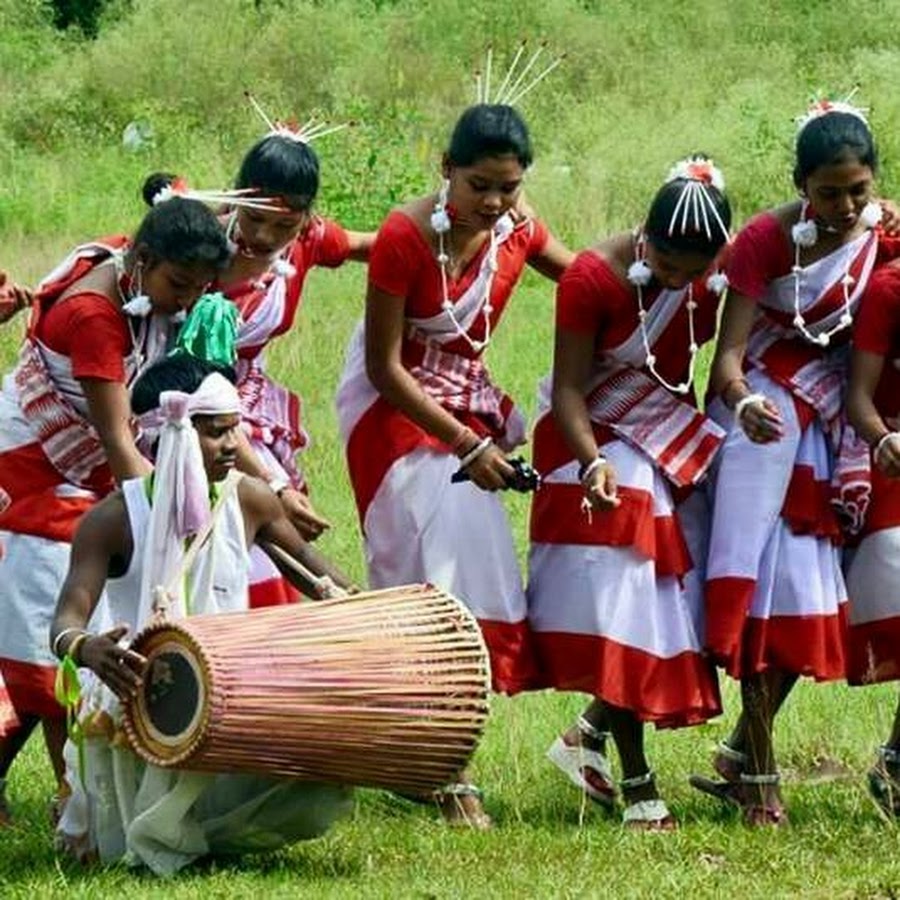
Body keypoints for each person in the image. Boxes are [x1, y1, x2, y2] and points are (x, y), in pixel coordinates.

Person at [336, 101, 573, 826]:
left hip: (463, 408)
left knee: (463, 567)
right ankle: (446, 770)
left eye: (508, 188)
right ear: (446, 170)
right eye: (479, 186)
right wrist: (470, 447)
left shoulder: (516, 228)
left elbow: (591, 277)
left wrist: (702, 262)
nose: (494, 204)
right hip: (393, 412)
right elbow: (382, 368)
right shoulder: (407, 237)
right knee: (439, 568)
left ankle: (425, 756)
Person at [49, 354, 354, 874]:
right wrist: (89, 648)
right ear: (168, 436)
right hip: (137, 690)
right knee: (129, 842)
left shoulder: (250, 500)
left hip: (229, 689)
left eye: (235, 429)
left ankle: (201, 829)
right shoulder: (113, 520)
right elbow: (65, 622)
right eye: (216, 433)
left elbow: (321, 578)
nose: (234, 446)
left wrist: (371, 614)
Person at [0, 175, 231, 824]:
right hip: (36, 468)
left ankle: (79, 792)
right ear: (139, 264)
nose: (187, 303)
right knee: (53, 632)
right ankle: (75, 797)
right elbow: (115, 439)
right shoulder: (95, 318)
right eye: (178, 288)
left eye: (199, 289)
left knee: (83, 624)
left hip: (89, 466)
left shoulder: (141, 255)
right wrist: (167, 513)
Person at [695, 97, 900, 825]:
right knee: (761, 590)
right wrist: (745, 402)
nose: (845, 208)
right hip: (764, 421)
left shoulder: (884, 231)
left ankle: (742, 757)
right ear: (799, 185)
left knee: (802, 599)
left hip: (827, 419)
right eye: (827, 193)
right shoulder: (763, 240)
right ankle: (759, 776)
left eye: (858, 191)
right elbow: (725, 361)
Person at [527, 156, 730, 830]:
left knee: (689, 586)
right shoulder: (592, 279)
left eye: (690, 271)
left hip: (663, 433)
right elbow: (566, 394)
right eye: (667, 267)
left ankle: (586, 734)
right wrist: (592, 464)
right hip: (588, 435)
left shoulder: (707, 280)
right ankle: (639, 781)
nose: (677, 281)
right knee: (625, 592)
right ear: (645, 236)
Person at [211, 107, 374, 608]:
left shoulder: (308, 244)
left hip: (246, 403)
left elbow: (382, 244)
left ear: (306, 219)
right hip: (179, 401)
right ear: (236, 198)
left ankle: (337, 612)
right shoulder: (197, 246)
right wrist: (276, 484)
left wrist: (460, 218)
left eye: (283, 225)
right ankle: (350, 607)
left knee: (258, 528)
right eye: (254, 218)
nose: (263, 237)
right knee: (247, 515)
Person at [844, 260, 900, 816]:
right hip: (868, 452)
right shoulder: (891, 290)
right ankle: (745, 747)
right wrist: (885, 439)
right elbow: (858, 396)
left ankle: (897, 763)